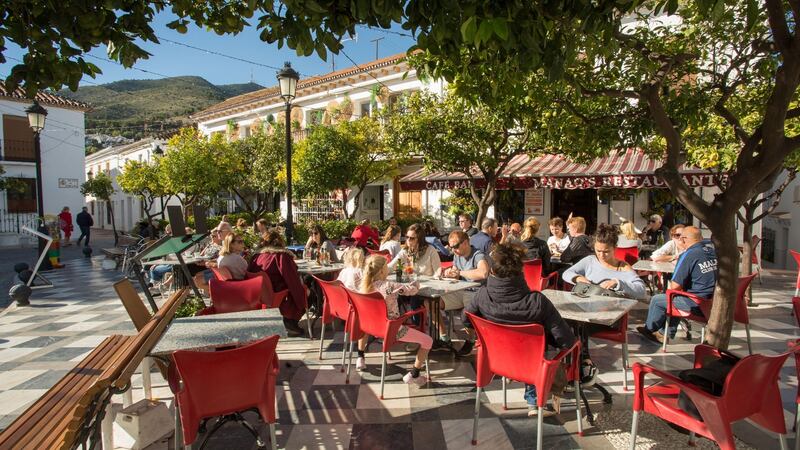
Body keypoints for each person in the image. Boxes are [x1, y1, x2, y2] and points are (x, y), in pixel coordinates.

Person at [464, 242, 577, 417]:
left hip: (497, 361)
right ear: (521, 271)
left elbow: (466, 319)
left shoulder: (481, 296)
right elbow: (566, 340)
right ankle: (534, 402)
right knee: (538, 348)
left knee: (530, 346)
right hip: (530, 364)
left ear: (492, 272)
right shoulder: (538, 301)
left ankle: (521, 384)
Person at [355, 255, 432, 385]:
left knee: (367, 317)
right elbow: (412, 290)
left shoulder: (361, 287)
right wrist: (416, 282)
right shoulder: (390, 286)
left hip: (370, 326)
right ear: (381, 271)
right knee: (428, 341)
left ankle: (360, 357)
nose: (388, 270)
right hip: (392, 329)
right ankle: (414, 374)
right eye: (386, 268)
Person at [637, 226, 718, 344]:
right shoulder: (712, 251)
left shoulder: (688, 255)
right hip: (714, 303)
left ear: (683, 239)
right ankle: (665, 333)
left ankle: (650, 330)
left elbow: (675, 286)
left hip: (697, 304)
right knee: (675, 298)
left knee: (658, 299)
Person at [562, 224, 648, 300]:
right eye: (598, 251)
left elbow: (642, 292)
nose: (601, 255)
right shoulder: (590, 260)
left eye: (606, 252)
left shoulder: (622, 267)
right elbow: (566, 273)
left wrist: (617, 283)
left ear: (615, 248)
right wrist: (578, 278)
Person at [249, 230, 308, 337]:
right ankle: (289, 322)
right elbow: (291, 278)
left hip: (259, 295)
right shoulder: (281, 256)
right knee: (304, 291)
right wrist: (302, 293)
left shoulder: (256, 257)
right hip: (276, 294)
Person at [443, 230, 491, 355]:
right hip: (460, 290)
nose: (453, 250)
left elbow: (483, 273)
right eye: (451, 247)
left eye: (455, 246)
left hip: (476, 292)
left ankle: (470, 340)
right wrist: (449, 273)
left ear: (465, 243)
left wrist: (460, 273)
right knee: (433, 303)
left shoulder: (478, 255)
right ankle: (443, 338)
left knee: (467, 312)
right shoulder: (457, 255)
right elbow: (455, 272)